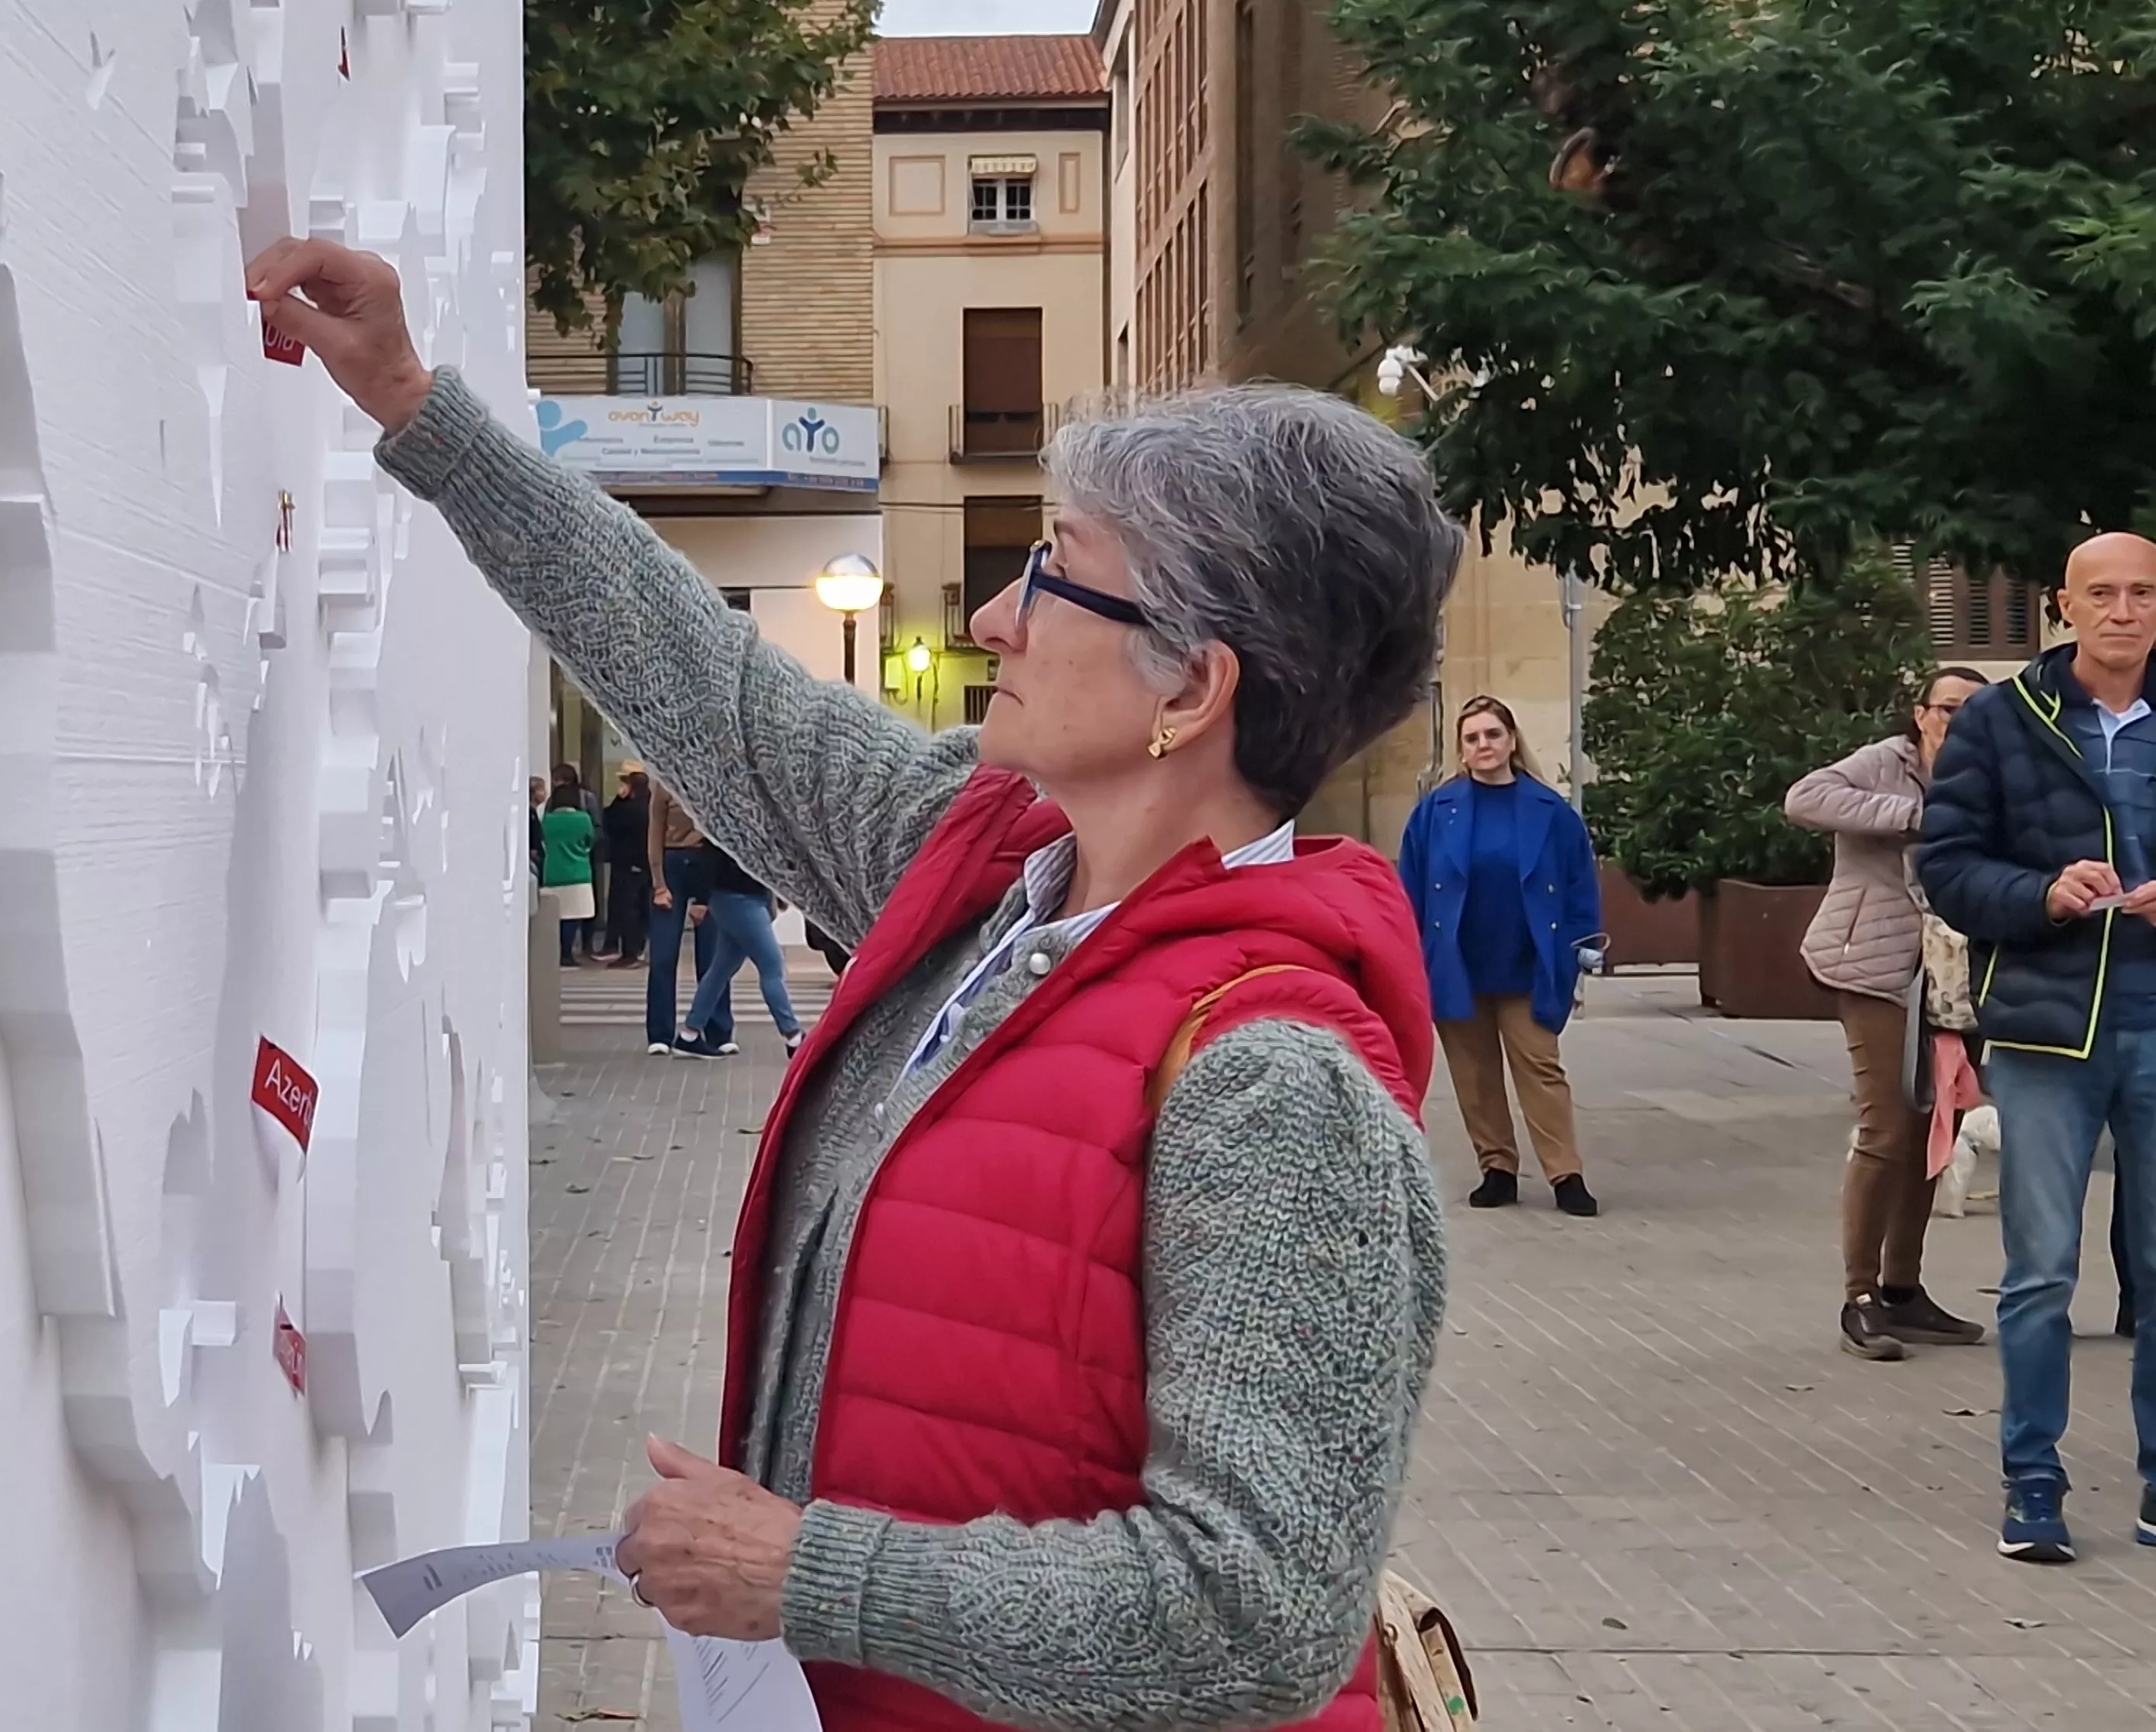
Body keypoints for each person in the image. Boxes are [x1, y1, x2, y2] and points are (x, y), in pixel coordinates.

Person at [251, 235, 1455, 1732]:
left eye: (1054, 575)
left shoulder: (1277, 1080)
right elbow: (699, 677)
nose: (994, 618)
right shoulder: (976, 867)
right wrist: (414, 404)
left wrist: (805, 1572)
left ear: (1191, 687)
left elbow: (1256, 1616)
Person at [1920, 530, 2156, 1566]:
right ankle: (2032, 1480)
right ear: (2065, 604)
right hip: (2048, 1029)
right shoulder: (2002, 718)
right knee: (2041, 1270)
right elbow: (1947, 865)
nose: (2123, 610)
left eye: (2142, 592)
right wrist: (2042, 894)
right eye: (2102, 593)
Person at [1788, 668, 1992, 1361]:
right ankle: (1861, 1295)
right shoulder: (1887, 763)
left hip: (1957, 973)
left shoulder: (1992, 772)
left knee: (1938, 1125)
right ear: (1921, 714)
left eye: (1975, 711)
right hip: (1876, 968)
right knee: (1886, 1124)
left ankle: (1904, 1289)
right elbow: (1806, 799)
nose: (1959, 722)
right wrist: (1914, 816)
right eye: (1948, 709)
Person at [1398, 697, 1604, 1217]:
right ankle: (1497, 1168)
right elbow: (1409, 889)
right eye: (1472, 738)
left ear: (1512, 741)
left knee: (1541, 1067)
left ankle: (1565, 1174)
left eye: (1492, 734)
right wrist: (1407, 954)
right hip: (1457, 965)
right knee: (1474, 1074)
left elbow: (1579, 884)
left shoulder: (1551, 812)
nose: (1483, 745)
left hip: (1529, 964)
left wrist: (1583, 948)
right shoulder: (1434, 813)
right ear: (1461, 749)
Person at [676, 840, 805, 1057]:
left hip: (741, 896)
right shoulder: (731, 824)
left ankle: (689, 1033)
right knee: (771, 964)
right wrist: (701, 899)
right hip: (737, 896)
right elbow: (712, 854)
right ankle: (793, 1036)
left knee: (721, 969)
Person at [644, 775, 734, 1058]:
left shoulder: (713, 777)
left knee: (713, 956)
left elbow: (724, 831)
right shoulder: (663, 780)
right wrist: (659, 883)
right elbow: (655, 833)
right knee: (663, 953)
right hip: (673, 863)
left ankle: (718, 1030)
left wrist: (714, 886)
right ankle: (660, 1033)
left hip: (708, 861)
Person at [540, 782, 597, 966]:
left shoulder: (547, 820)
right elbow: (590, 840)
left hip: (553, 871)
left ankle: (556, 953)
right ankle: (567, 952)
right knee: (573, 916)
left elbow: (543, 842)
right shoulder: (584, 819)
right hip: (579, 872)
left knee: (556, 915)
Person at [601, 769, 654, 965]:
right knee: (643, 907)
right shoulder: (650, 806)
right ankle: (638, 948)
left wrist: (619, 800)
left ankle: (630, 952)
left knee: (627, 907)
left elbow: (609, 822)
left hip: (628, 863)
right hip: (646, 863)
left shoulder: (629, 808)